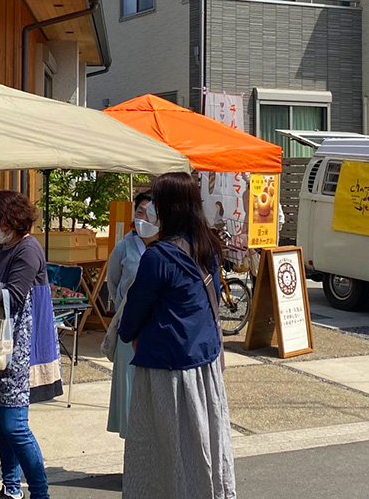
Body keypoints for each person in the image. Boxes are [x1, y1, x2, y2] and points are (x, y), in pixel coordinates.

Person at [118, 172, 235, 499]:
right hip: (205, 362)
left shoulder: (157, 257)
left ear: (168, 207)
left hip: (165, 370)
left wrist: (130, 333)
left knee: (162, 452)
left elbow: (132, 318)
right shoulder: (207, 245)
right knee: (204, 444)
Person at [0, 190, 51, 499]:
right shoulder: (0, 250)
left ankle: (40, 492)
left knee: (15, 426)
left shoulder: (28, 249)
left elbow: (13, 298)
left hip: (16, 351)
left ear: (13, 219)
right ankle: (10, 488)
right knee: (2, 425)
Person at [104, 192, 159, 438]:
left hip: (154, 325)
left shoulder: (162, 247)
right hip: (129, 323)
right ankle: (131, 441)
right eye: (139, 211)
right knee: (129, 385)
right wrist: (123, 307)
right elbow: (113, 282)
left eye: (149, 212)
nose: (143, 217)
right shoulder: (124, 246)